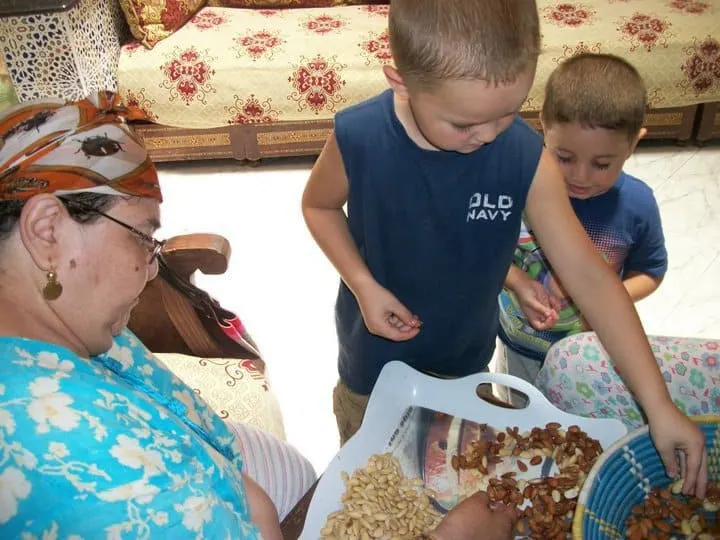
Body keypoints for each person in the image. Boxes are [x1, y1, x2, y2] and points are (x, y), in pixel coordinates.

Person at [0, 93, 516, 538]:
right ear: (46, 230)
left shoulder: (60, 319)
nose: (152, 270)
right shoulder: (88, 472)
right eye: (141, 236)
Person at [301, 0, 707, 497]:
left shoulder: (523, 155)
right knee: (370, 491)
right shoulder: (358, 136)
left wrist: (660, 407)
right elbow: (319, 208)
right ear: (401, 80)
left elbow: (594, 278)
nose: (490, 135)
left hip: (465, 364)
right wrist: (362, 284)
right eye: (464, 124)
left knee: (452, 486)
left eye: (508, 113)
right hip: (372, 367)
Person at [496, 53, 667, 403]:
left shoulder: (637, 205)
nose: (580, 177)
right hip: (519, 345)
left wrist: (593, 299)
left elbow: (650, 272)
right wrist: (516, 280)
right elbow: (483, 254)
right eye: (564, 157)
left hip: (590, 353)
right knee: (520, 421)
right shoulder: (516, 188)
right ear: (543, 124)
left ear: (634, 144)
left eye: (602, 164)